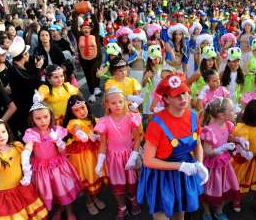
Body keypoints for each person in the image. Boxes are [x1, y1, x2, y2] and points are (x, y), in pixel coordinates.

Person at [137, 73, 208, 220]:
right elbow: (148, 160)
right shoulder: (156, 124)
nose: (183, 98)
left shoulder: (193, 116)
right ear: (166, 99)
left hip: (183, 173)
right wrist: (180, 166)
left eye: (184, 93)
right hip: (161, 176)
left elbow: (198, 144)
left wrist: (199, 163)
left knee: (179, 213)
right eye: (177, 95)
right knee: (161, 215)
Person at [23, 102, 82, 219]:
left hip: (58, 166)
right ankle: (58, 209)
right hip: (42, 169)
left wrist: (58, 142)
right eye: (38, 118)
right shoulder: (32, 133)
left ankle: (69, 211)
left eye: (45, 117)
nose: (43, 121)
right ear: (32, 119)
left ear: (51, 116)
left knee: (64, 189)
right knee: (51, 191)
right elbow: (28, 147)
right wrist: (25, 158)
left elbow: (63, 152)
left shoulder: (56, 130)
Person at [0, 117, 48, 219]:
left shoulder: (17, 146)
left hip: (23, 189)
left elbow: (29, 158)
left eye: (3, 131)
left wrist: (30, 142)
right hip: (7, 197)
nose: (1, 136)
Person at [94, 87, 143, 220]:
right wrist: (99, 162)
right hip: (114, 158)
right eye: (113, 103)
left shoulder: (131, 117)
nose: (118, 105)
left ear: (125, 102)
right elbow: (103, 143)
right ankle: (122, 206)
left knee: (132, 182)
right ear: (107, 104)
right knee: (117, 184)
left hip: (128, 155)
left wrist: (134, 155)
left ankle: (133, 199)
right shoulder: (104, 121)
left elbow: (138, 137)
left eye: (121, 102)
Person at [62, 95, 107, 216]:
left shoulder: (92, 119)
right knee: (87, 178)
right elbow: (75, 128)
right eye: (77, 110)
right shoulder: (74, 122)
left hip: (94, 155)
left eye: (83, 107)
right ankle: (89, 201)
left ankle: (95, 197)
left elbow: (103, 123)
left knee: (95, 176)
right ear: (72, 112)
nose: (81, 112)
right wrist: (80, 133)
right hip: (82, 159)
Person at [200, 97, 240, 220]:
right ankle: (206, 212)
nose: (235, 112)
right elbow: (206, 152)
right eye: (232, 110)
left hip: (224, 164)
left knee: (225, 187)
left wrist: (240, 140)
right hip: (212, 165)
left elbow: (230, 137)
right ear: (221, 115)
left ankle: (219, 210)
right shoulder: (209, 130)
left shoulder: (228, 125)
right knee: (207, 189)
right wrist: (221, 148)